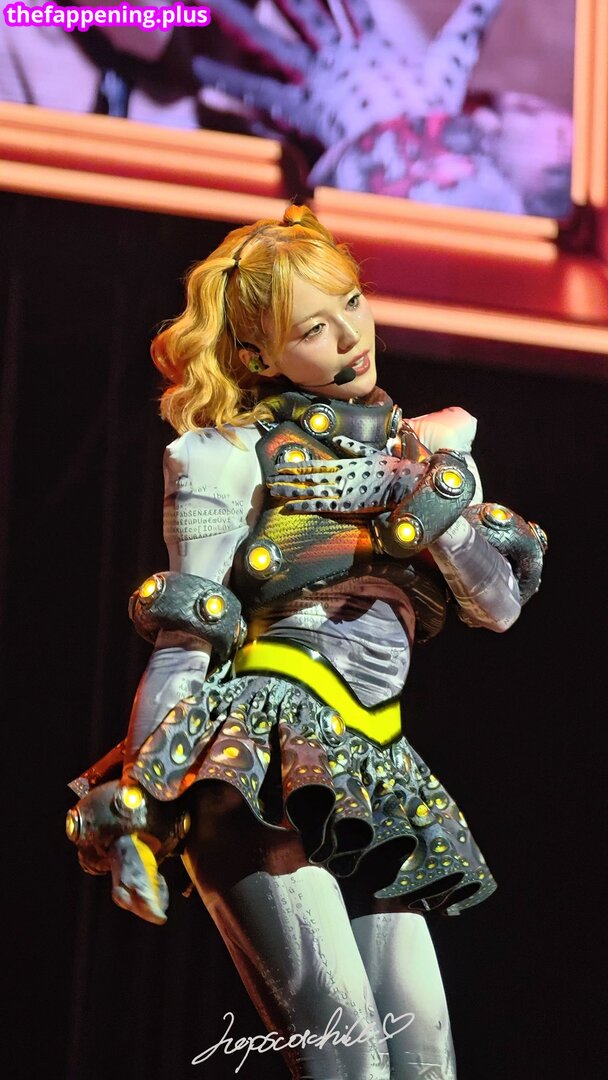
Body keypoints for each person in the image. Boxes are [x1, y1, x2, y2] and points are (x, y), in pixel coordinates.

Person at [66, 204, 546, 1079]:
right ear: (258, 357)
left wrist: (424, 495)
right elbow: (184, 644)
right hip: (257, 759)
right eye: (312, 329)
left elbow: (499, 608)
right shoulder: (223, 457)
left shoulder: (425, 453)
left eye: (352, 304)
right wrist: (141, 799)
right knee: (349, 1064)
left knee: (425, 1067)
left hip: (376, 761)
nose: (349, 337)